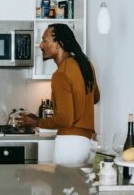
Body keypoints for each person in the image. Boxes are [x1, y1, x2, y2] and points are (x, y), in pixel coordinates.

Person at [19, 23, 100, 166]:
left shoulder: (61, 74)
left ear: (59, 44)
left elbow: (65, 120)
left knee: (61, 188)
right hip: (89, 143)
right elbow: (95, 98)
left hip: (70, 145)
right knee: (80, 188)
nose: (40, 45)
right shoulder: (86, 65)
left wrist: (36, 122)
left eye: (44, 40)